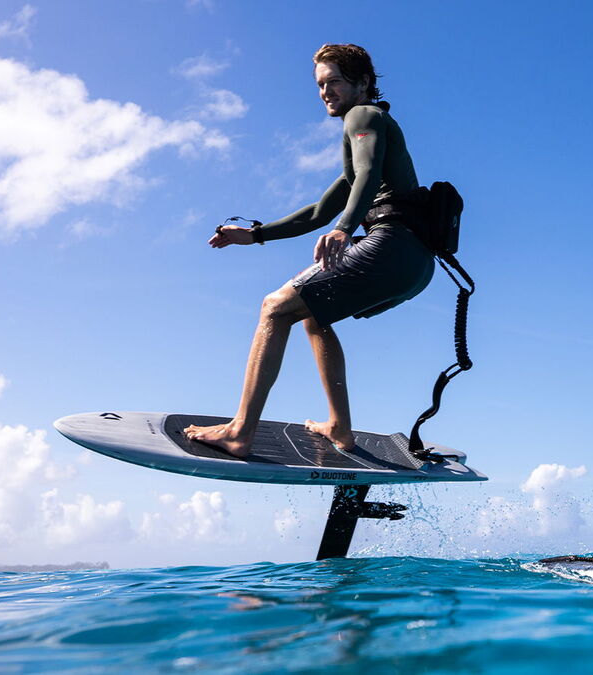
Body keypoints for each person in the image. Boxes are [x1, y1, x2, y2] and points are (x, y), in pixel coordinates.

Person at [183, 44, 434, 457]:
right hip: (413, 262)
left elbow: (367, 177)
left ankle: (239, 431)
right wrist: (254, 234)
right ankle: (340, 427)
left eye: (333, 81)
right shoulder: (366, 140)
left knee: (274, 307)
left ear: (363, 83)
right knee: (312, 317)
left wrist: (344, 229)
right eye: (320, 84)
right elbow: (318, 211)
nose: (325, 92)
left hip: (390, 244)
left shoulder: (364, 115)